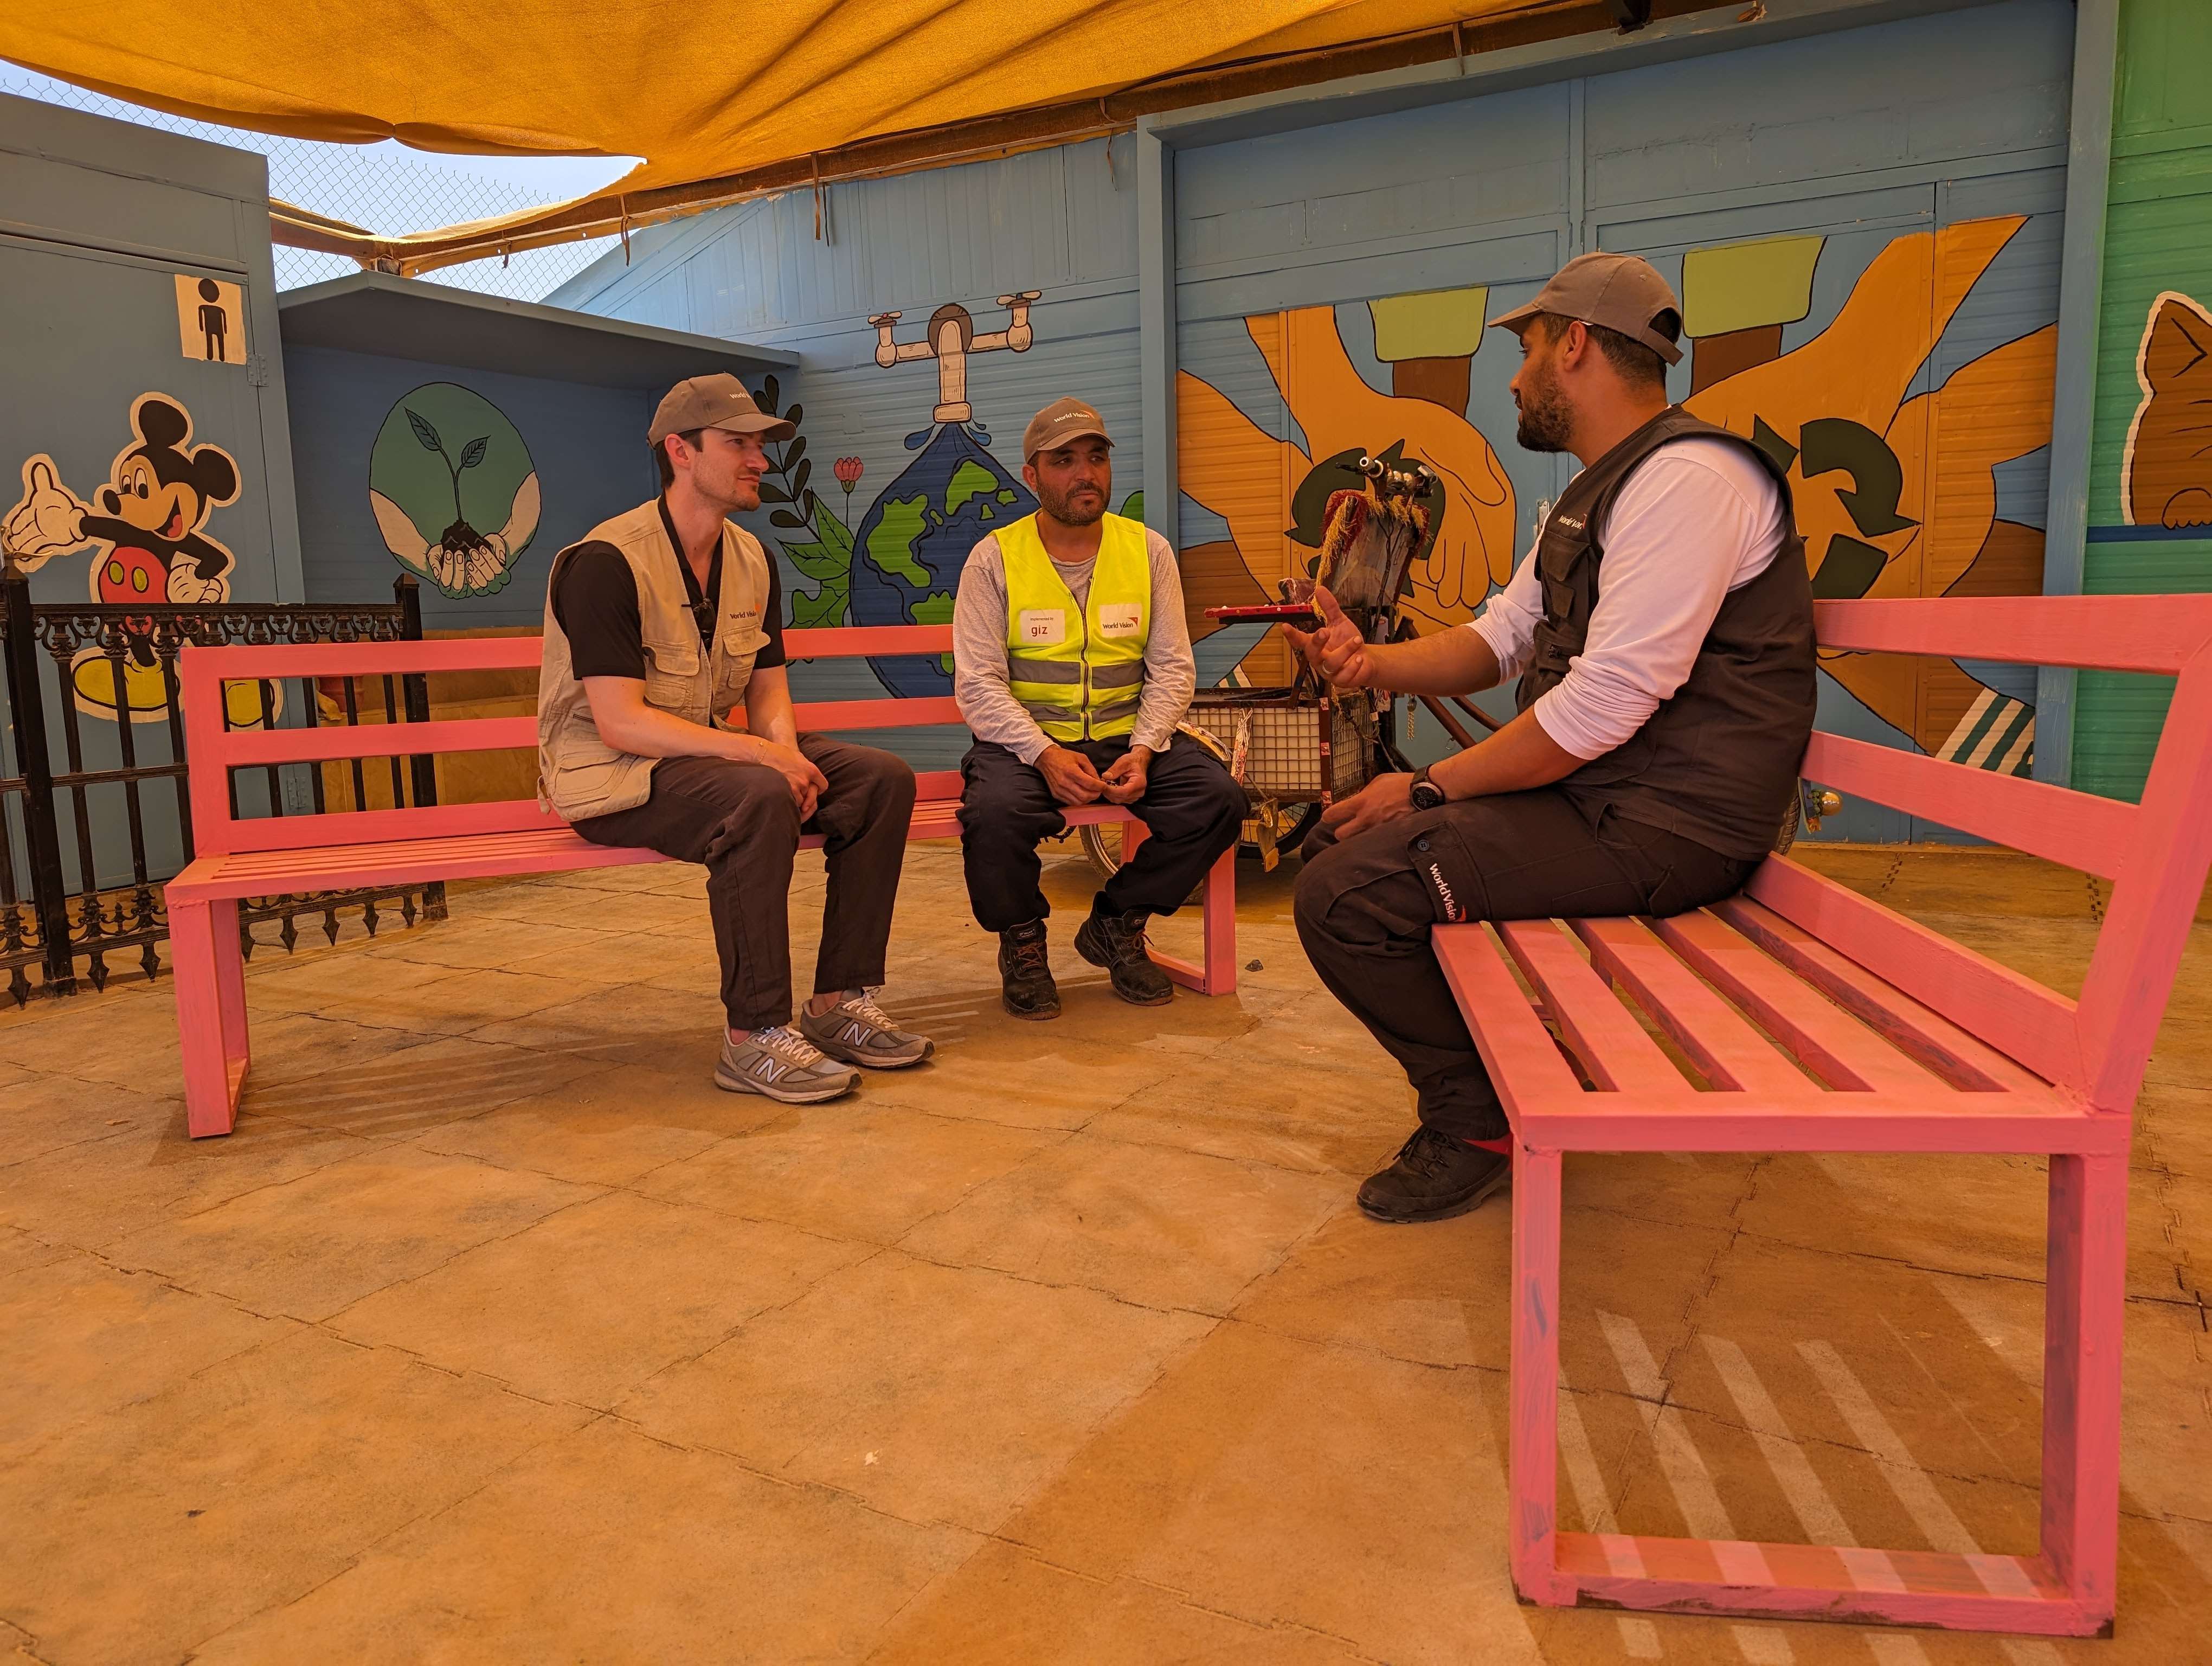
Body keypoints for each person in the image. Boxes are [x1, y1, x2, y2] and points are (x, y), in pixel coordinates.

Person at [1288, 253, 1816, 1223]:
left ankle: (1480, 1115)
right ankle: (1508, 1068)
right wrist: (1373, 663)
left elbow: (1605, 704)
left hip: (1670, 824)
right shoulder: (1600, 490)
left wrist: (1429, 785)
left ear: (1575, 344)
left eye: (1528, 349)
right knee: (1338, 843)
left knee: (1345, 893)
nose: (1517, 375)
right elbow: (1503, 635)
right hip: (1606, 802)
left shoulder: (1687, 479)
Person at [536, 373, 932, 1103]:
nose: (759, 460)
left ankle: (837, 1004)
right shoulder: (605, 563)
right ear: (680, 451)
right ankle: (753, 1036)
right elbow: (620, 722)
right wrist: (762, 757)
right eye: (740, 444)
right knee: (755, 796)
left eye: (761, 446)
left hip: (700, 757)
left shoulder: (750, 558)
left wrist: (781, 750)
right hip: (609, 774)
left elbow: (768, 686)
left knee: (880, 780)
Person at [952, 397, 1247, 1018]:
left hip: (1125, 739)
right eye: (1064, 461)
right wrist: (1045, 753)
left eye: (1096, 457)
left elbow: (1171, 668)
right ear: (1031, 477)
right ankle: (1024, 942)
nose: (1086, 473)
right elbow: (978, 683)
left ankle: (1118, 922)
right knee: (994, 813)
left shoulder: (1148, 552)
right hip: (1026, 747)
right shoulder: (994, 559)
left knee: (1218, 800)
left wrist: (1144, 749)